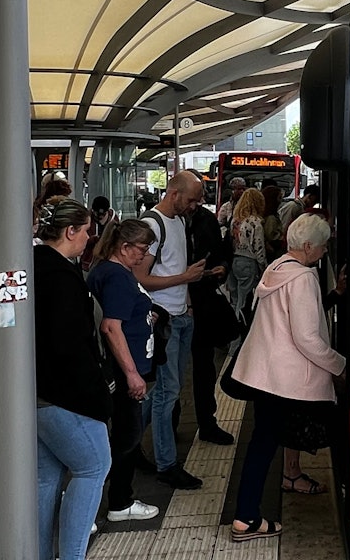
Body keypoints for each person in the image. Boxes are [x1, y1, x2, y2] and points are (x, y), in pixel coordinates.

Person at [227, 214, 346, 542]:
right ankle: (246, 518)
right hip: (286, 379)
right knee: (264, 445)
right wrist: (340, 365)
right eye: (322, 247)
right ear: (308, 246)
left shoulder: (276, 268)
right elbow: (307, 338)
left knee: (262, 443)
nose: (324, 252)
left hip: (265, 374)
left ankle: (263, 500)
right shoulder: (304, 278)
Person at [32, 197, 110, 560]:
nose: (89, 241)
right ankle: (73, 556)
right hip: (66, 393)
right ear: (71, 231)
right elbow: (71, 343)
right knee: (93, 467)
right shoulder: (63, 277)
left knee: (46, 478)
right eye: (87, 234)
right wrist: (97, 391)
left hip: (31, 392)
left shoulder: (29, 265)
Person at [86, 219, 163, 523]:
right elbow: (110, 326)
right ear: (125, 246)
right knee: (127, 438)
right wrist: (132, 373)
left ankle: (112, 499)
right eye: (142, 249)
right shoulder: (117, 276)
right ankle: (120, 501)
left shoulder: (108, 271)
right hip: (123, 369)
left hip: (119, 365)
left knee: (120, 437)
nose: (144, 256)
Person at [134, 171, 208, 489]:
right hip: (161, 320)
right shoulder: (153, 225)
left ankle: (128, 439)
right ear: (174, 193)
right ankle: (167, 464)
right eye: (192, 199)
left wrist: (188, 305)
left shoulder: (177, 221)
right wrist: (185, 281)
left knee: (167, 391)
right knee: (167, 393)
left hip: (179, 316)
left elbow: (175, 267)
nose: (195, 205)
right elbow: (140, 277)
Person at [185, 178, 235, 447]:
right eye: (192, 199)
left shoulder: (205, 219)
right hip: (176, 305)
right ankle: (169, 423)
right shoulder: (163, 223)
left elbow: (221, 252)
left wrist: (222, 268)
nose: (196, 204)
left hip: (203, 302)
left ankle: (207, 422)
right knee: (171, 374)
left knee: (204, 369)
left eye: (199, 199)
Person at [226, 188, 267, 314]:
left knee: (234, 297)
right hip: (249, 261)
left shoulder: (235, 220)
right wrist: (264, 266)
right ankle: (241, 325)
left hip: (234, 260)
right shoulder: (256, 222)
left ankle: (232, 321)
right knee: (244, 299)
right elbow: (258, 247)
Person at [261, 184, 285, 260]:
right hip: (273, 249)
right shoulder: (271, 218)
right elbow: (270, 236)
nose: (281, 201)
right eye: (279, 198)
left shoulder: (269, 215)